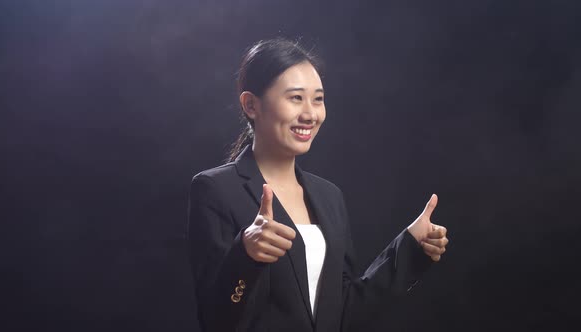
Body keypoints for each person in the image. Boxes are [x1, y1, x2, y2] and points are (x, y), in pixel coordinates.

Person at [187, 37, 449, 332]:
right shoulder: (215, 189)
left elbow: (345, 312)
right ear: (251, 105)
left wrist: (410, 248)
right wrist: (245, 255)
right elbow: (215, 321)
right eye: (296, 98)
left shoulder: (329, 196)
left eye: (318, 99)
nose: (311, 114)